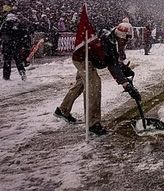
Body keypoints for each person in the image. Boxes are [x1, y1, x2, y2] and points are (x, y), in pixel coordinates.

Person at [55, 7, 140, 136]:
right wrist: (125, 83)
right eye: (126, 39)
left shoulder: (113, 39)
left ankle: (63, 110)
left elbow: (114, 61)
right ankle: (93, 124)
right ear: (121, 35)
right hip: (83, 59)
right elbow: (112, 65)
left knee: (80, 84)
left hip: (87, 59)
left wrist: (123, 69)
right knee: (94, 85)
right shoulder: (107, 41)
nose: (127, 42)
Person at [0, 13, 29, 81]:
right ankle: (22, 73)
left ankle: (6, 77)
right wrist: (25, 45)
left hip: (7, 45)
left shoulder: (5, 24)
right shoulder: (19, 24)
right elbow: (24, 34)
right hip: (16, 45)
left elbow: (0, 35)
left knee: (7, 61)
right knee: (18, 61)